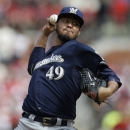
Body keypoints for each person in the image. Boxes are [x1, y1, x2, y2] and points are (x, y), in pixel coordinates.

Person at [14, 6, 122, 130]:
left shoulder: (78, 49)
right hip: (27, 124)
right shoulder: (45, 57)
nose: (70, 25)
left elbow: (109, 73)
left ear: (79, 31)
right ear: (57, 24)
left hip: (60, 126)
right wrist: (45, 33)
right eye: (66, 21)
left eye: (75, 24)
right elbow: (32, 67)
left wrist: (107, 91)